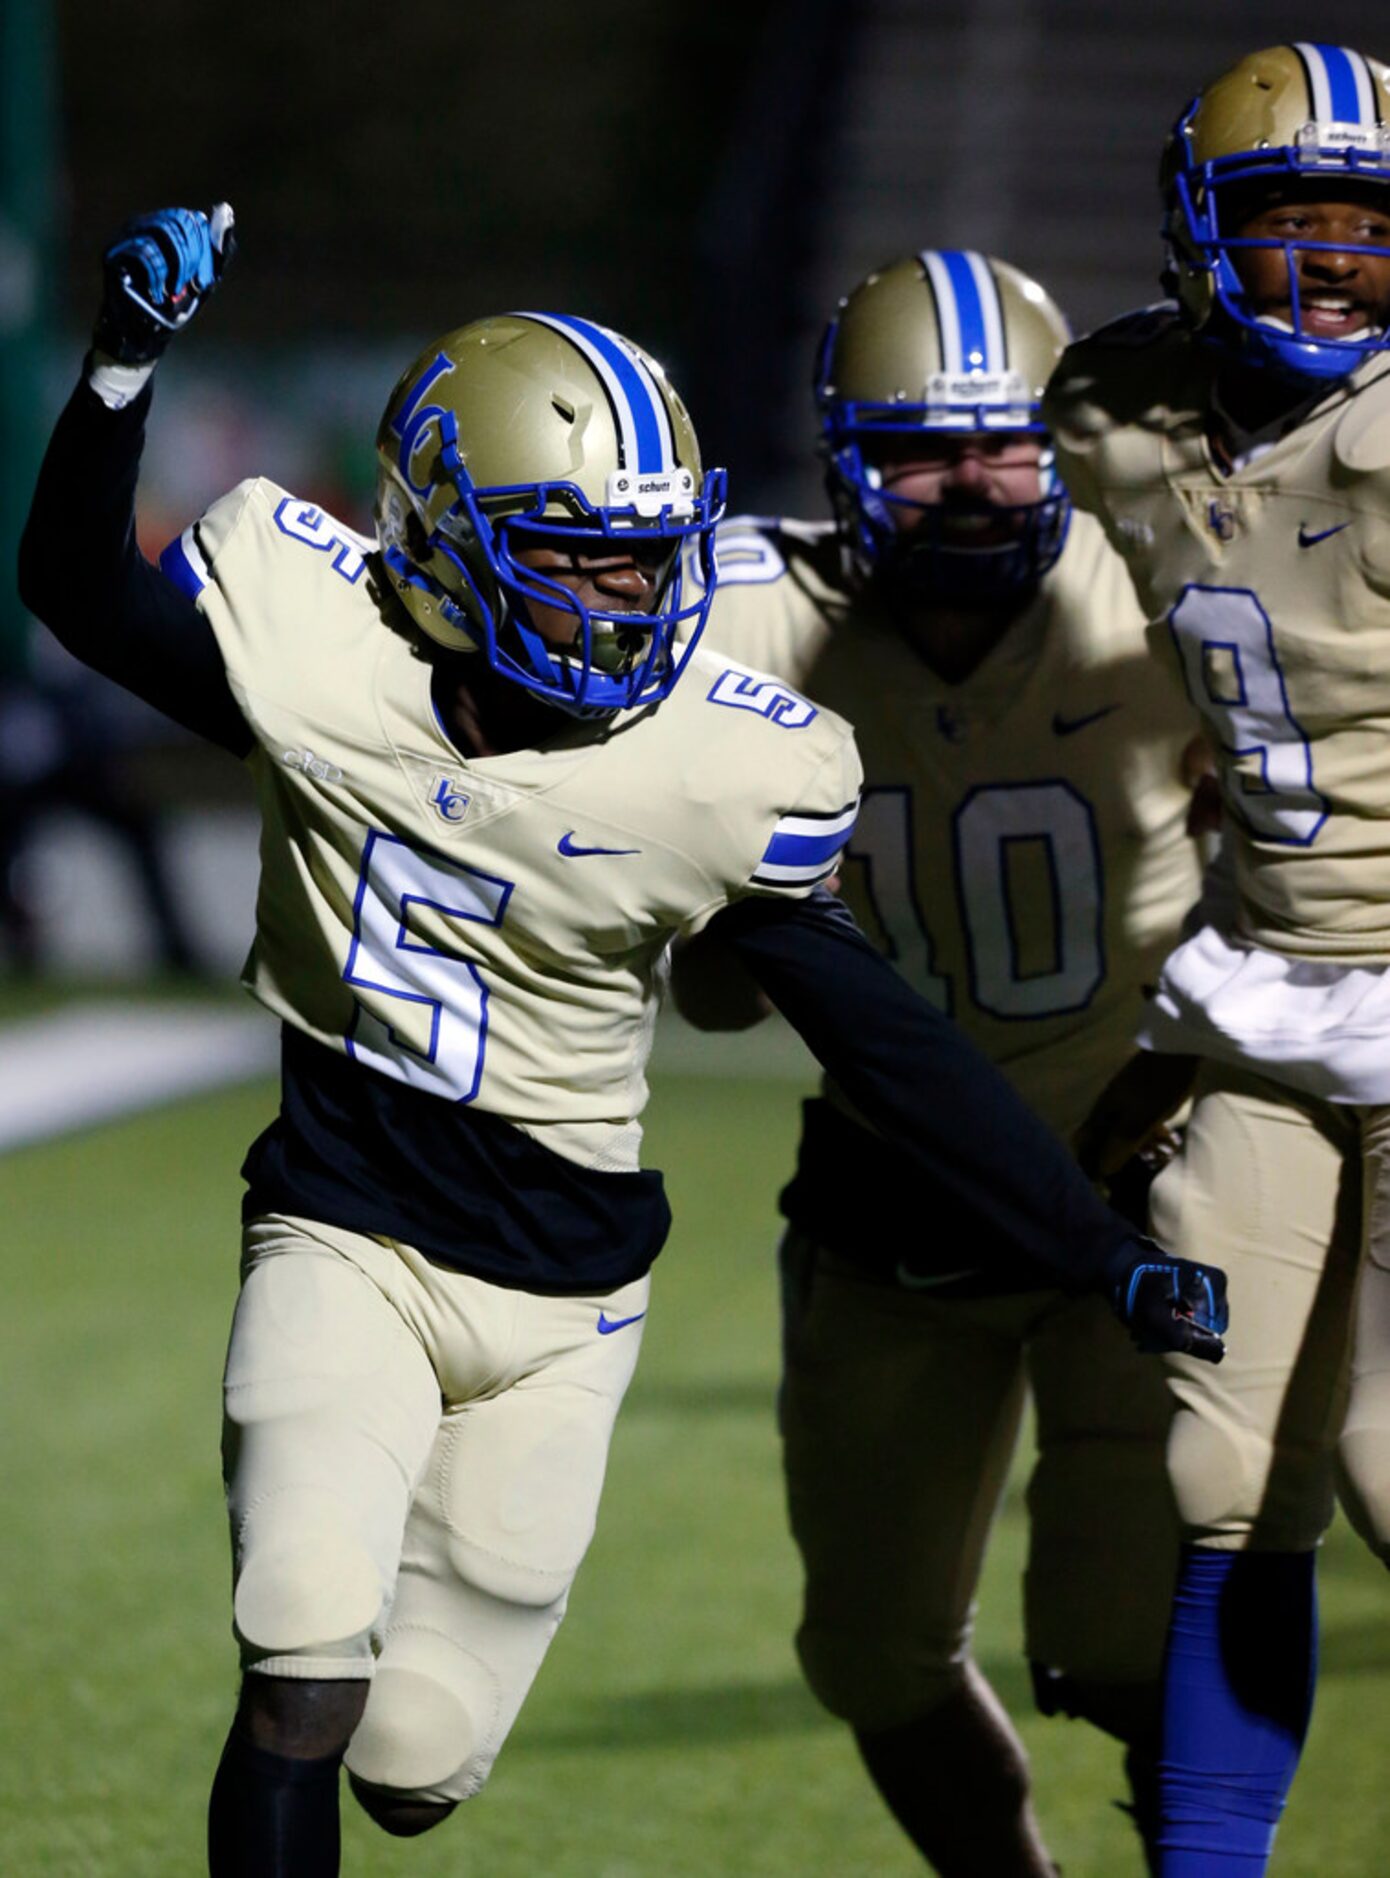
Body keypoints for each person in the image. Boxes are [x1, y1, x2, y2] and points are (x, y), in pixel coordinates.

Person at [18, 205, 1227, 1878]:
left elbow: (881, 1040)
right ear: (441, 540)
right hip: (343, 1222)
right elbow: (80, 590)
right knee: (296, 1643)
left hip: (564, 1294)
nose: (625, 597)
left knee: (415, 1758)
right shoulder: (322, 658)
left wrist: (1097, 1250)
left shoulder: (718, 765)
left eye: (650, 556)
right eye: (580, 554)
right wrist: (120, 373)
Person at [672, 250, 1211, 1876]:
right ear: (843, 461)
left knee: (1127, 1637)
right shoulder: (754, 619)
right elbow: (707, 998)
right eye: (921, 447)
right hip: (898, 1202)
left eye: (1004, 441)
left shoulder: (1169, 586)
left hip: (1143, 1180)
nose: (970, 484)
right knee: (871, 1651)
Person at [1044, 41, 1390, 1875]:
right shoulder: (1116, 412)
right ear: (1195, 231)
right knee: (1221, 1476)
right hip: (1270, 984)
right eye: (1292, 227)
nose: (1338, 269)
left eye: (1371, 236)